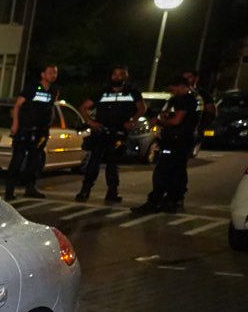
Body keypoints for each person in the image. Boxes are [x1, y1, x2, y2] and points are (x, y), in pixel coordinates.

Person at [132, 76, 200, 214]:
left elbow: (176, 121)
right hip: (181, 140)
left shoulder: (185, 100)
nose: (172, 92)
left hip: (177, 140)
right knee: (177, 171)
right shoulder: (188, 99)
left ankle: (155, 201)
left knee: (162, 172)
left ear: (181, 86)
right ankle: (171, 200)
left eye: (173, 89)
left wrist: (160, 122)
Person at [76, 66, 144, 203]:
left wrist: (132, 121)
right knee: (94, 162)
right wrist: (91, 122)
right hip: (101, 131)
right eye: (115, 74)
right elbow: (83, 107)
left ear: (126, 77)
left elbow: (142, 108)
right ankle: (85, 191)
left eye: (121, 75)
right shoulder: (102, 92)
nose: (117, 77)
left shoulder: (132, 92)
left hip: (118, 132)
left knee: (113, 163)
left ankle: (112, 192)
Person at [6, 64, 58, 201]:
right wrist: (16, 123)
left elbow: (51, 107)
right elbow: (18, 105)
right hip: (26, 128)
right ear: (42, 74)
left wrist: (49, 123)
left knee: (35, 159)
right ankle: (9, 190)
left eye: (55, 73)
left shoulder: (53, 90)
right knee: (18, 158)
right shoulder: (32, 87)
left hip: (41, 130)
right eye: (50, 72)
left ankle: (30, 187)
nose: (53, 75)